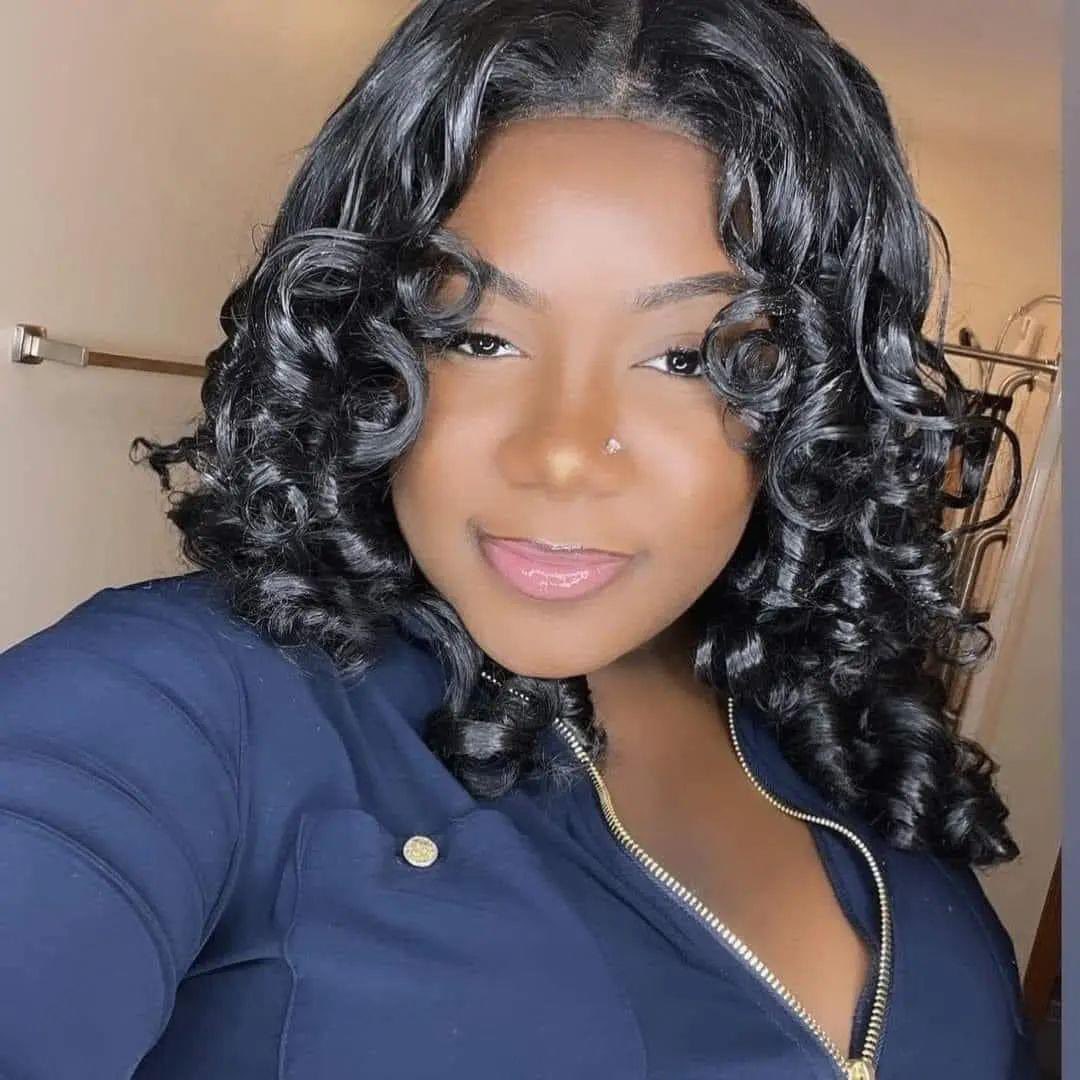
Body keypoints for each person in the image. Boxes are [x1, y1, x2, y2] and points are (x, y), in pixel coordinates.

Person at [0, 1, 1038, 1077]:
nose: (564, 453)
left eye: (690, 358)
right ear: (362, 345)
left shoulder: (829, 710)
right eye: (477, 337)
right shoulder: (186, 705)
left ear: (816, 396)